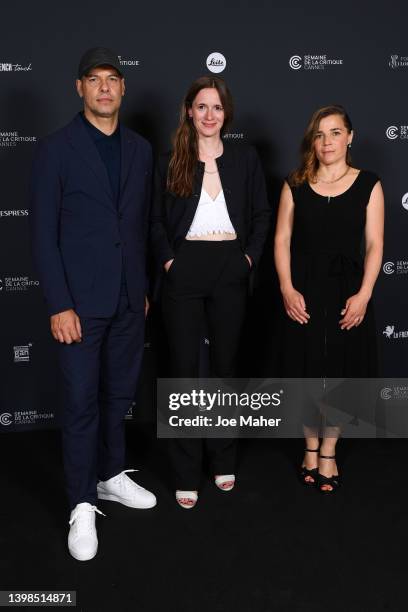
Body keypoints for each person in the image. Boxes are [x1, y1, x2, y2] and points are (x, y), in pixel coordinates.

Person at [30, 47, 156, 561]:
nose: (104, 87)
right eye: (94, 79)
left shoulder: (141, 149)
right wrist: (59, 303)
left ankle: (108, 476)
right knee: (81, 402)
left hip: (129, 299)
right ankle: (81, 502)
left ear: (123, 88)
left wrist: (142, 287)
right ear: (78, 88)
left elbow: (141, 226)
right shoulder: (57, 149)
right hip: (79, 305)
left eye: (112, 79)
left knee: (116, 395)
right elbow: (41, 234)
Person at [151, 76, 271, 508]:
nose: (208, 115)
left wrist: (248, 260)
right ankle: (185, 471)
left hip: (230, 268)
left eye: (216, 107)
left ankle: (223, 459)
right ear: (189, 111)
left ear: (226, 113)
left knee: (225, 369)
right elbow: (155, 223)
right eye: (201, 107)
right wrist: (170, 262)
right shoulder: (171, 161)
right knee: (183, 372)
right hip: (185, 268)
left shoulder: (245, 158)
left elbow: (261, 214)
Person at [274, 105, 384, 493]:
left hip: (347, 290)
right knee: (303, 370)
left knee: (341, 370)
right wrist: (287, 288)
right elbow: (282, 240)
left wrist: (364, 294)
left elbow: (374, 244)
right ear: (312, 140)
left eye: (335, 133)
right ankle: (308, 447)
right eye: (320, 134)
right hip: (302, 288)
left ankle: (329, 451)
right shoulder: (295, 183)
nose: (327, 142)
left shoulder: (369, 183)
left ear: (349, 137)